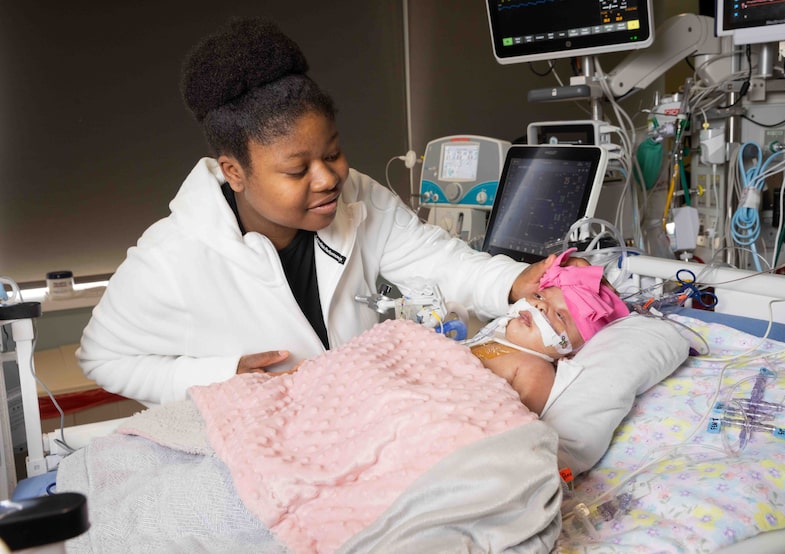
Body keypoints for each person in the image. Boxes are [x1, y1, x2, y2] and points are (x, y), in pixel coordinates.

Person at [76, 17, 558, 407]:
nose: (328, 178)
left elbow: (438, 262)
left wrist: (515, 283)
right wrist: (222, 376)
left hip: (366, 417)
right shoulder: (173, 255)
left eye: (331, 154)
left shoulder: (359, 198)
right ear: (235, 172)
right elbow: (103, 357)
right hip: (267, 439)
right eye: (296, 170)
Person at [464, 248, 630, 415]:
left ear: (569, 354)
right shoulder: (494, 333)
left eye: (559, 315)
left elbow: (517, 423)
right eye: (539, 296)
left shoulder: (536, 369)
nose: (541, 306)